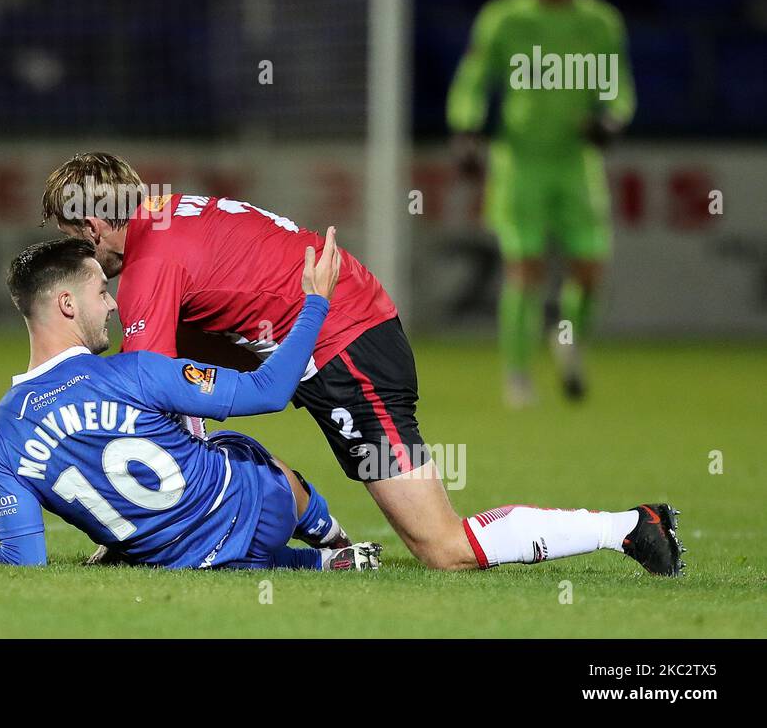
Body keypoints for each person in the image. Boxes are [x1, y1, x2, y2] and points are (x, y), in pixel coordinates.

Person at [38, 152, 684, 575]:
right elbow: (177, 375)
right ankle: (285, 528)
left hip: (349, 350)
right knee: (172, 376)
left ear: (94, 223)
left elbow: (152, 388)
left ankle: (630, 526)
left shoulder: (154, 259)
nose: (79, 260)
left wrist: (134, 525)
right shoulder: (167, 218)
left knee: (443, 548)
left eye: (73, 242)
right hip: (342, 340)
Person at [0, 231, 381, 571]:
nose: (113, 306)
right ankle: (331, 539)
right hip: (262, 512)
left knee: (156, 540)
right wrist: (316, 303)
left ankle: (308, 564)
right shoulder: (135, 370)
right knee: (235, 447)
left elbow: (25, 563)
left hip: (180, 562)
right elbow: (270, 390)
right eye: (101, 291)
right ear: (67, 303)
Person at [446, 0, 636, 408]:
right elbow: (473, 79)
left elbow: (618, 89)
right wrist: (466, 126)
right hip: (519, 164)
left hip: (576, 164)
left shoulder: (599, 22)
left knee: (591, 269)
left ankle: (569, 347)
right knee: (525, 269)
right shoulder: (504, 19)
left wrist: (612, 119)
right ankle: (518, 376)